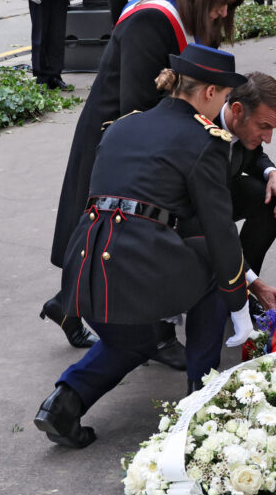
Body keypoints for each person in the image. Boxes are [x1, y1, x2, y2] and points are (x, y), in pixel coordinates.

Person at [35, 45, 252, 448]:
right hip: (135, 270)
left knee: (133, 341)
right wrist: (238, 301)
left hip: (83, 270)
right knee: (214, 266)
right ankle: (200, 397)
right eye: (224, 96)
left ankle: (62, 405)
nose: (224, 105)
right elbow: (219, 231)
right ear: (208, 93)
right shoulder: (206, 140)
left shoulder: (123, 126)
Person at [44, 0, 246, 357]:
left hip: (147, 141)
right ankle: (153, 332)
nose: (224, 14)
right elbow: (138, 105)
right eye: (223, 4)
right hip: (123, 142)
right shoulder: (151, 19)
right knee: (132, 238)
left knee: (121, 239)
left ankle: (71, 304)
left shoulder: (172, 16)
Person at [214, 71, 276, 295]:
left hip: (221, 195)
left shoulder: (240, 126)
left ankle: (243, 288)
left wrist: (273, 174)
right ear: (238, 110)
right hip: (188, 217)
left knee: (273, 198)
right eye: (264, 126)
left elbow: (255, 154)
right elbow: (210, 220)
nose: (268, 137)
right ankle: (235, 283)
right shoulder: (202, 127)